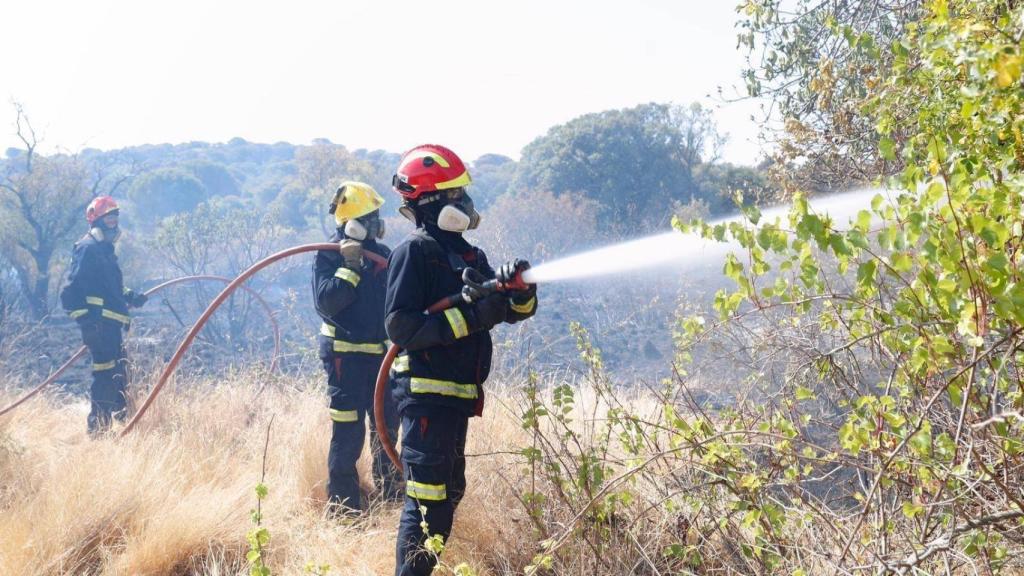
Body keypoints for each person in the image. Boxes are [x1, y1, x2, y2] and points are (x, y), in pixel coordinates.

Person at [385, 144, 538, 575]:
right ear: (434, 202)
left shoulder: (470, 256)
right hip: (426, 398)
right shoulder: (413, 253)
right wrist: (471, 317)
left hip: (454, 402)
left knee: (447, 497)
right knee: (428, 507)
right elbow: (402, 328)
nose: (467, 205)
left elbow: (509, 313)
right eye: (458, 196)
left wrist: (522, 293)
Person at [312, 181, 402, 514]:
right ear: (352, 221)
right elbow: (327, 303)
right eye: (370, 216)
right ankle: (344, 510)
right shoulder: (328, 253)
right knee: (348, 436)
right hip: (344, 360)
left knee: (387, 431)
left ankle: (392, 502)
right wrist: (348, 269)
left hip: (380, 360)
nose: (377, 222)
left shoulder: (384, 254)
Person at [60, 196, 148, 435]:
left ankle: (124, 422)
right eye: (108, 218)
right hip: (99, 327)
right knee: (106, 374)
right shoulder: (88, 248)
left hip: (110, 326)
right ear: (96, 220)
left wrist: (130, 296)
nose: (113, 223)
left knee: (121, 373)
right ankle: (99, 429)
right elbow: (69, 293)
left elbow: (108, 287)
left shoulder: (103, 249)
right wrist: (87, 322)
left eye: (115, 218)